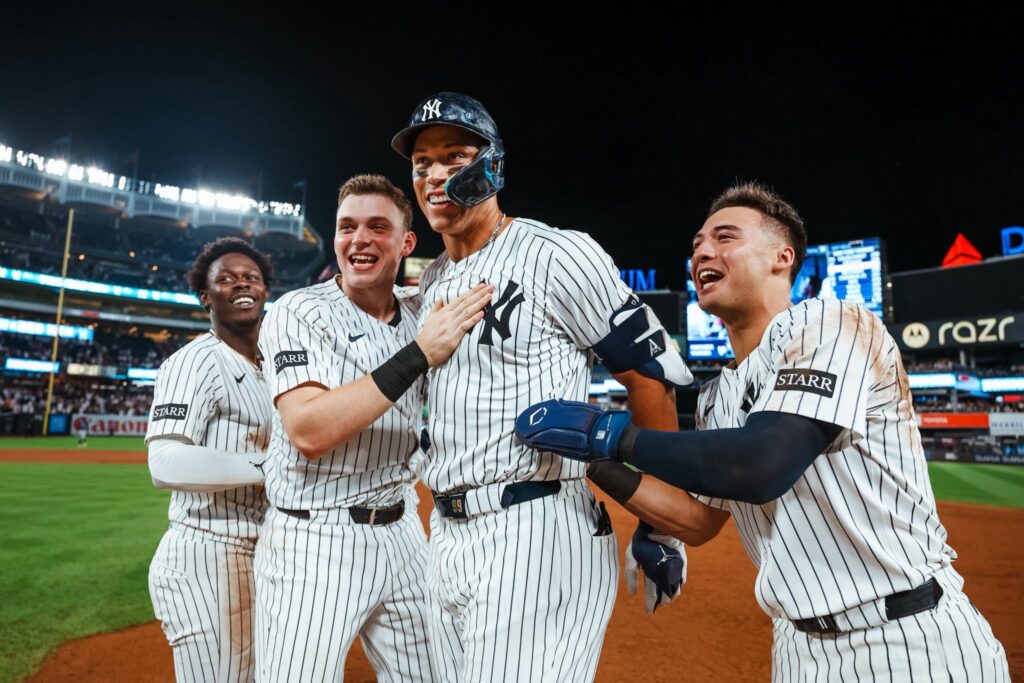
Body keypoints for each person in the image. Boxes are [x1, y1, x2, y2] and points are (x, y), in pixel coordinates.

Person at [516, 182, 1011, 681]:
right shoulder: (716, 396)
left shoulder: (832, 322)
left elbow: (761, 465)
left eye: (725, 237)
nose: (703, 252)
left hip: (907, 640)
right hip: (797, 649)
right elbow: (699, 522)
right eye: (696, 245)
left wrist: (610, 434)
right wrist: (592, 460)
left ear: (783, 257)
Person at [390, 92, 694, 682]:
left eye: (453, 156)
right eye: (421, 162)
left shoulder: (556, 254)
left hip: (536, 527)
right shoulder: (433, 279)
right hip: (446, 533)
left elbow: (650, 374)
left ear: (493, 165)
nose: (433, 175)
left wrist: (659, 521)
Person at [254, 174, 492, 682]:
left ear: (407, 243)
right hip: (314, 539)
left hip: (404, 532)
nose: (359, 239)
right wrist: (420, 354)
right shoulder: (300, 311)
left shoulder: (420, 311)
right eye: (347, 227)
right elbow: (309, 429)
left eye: (377, 227)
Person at [146, 237, 274, 682]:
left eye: (251, 277)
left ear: (265, 291)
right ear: (206, 297)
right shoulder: (193, 362)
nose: (242, 283)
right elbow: (164, 462)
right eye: (226, 278)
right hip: (209, 553)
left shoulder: (275, 364)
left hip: (265, 554)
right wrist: (267, 468)